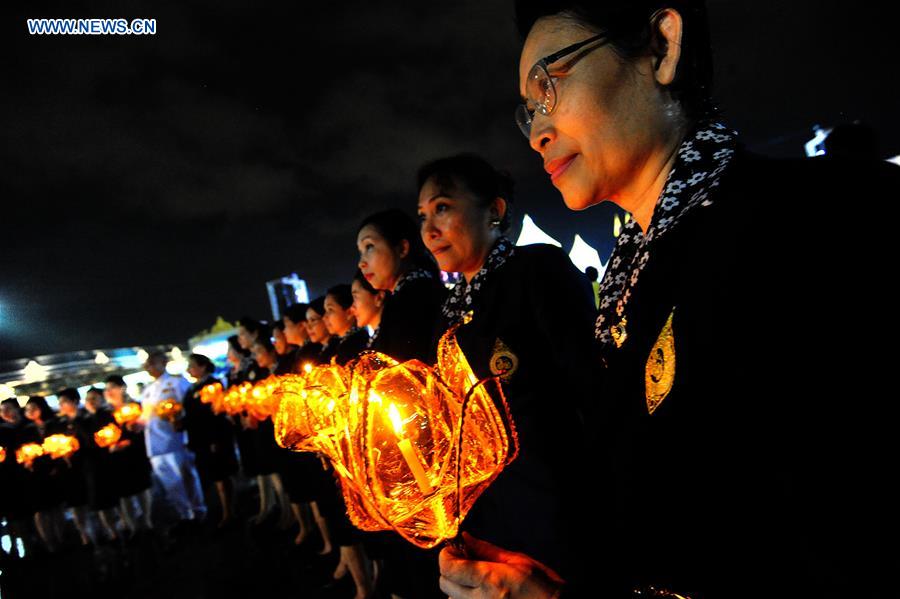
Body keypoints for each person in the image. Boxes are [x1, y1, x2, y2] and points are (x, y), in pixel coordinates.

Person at [440, 2, 900, 598]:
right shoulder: (633, 281)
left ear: (662, 47)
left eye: (550, 85)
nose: (536, 133)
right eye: (529, 110)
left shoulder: (822, 225)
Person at [416, 153, 600, 595]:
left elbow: (591, 388)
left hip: (556, 511)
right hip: (487, 516)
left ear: (494, 210)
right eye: (422, 216)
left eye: (442, 208)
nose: (429, 229)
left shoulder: (535, 270)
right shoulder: (449, 311)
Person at [356, 209, 447, 362]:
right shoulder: (406, 296)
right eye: (361, 252)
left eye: (369, 246)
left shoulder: (414, 300)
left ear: (402, 248)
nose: (361, 263)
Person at [139, 350, 206, 527]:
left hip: (175, 439)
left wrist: (179, 418)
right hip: (155, 444)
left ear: (163, 362)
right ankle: (184, 515)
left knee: (187, 477)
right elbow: (145, 416)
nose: (148, 367)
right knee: (171, 484)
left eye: (152, 363)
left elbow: (189, 406)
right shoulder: (147, 390)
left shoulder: (176, 383)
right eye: (147, 364)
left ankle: (198, 511)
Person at [182, 353, 238, 528]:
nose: (189, 369)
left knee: (221, 475)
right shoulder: (192, 388)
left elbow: (215, 414)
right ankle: (216, 510)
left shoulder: (213, 385)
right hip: (199, 439)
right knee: (209, 477)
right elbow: (191, 415)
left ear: (203, 367)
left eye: (192, 366)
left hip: (214, 437)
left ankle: (229, 512)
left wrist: (215, 438)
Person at [103, 376, 154, 534]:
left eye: (112, 387)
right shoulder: (105, 413)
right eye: (106, 389)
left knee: (142, 488)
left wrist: (134, 432)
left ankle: (147, 521)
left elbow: (145, 427)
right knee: (124, 493)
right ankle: (133, 527)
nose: (109, 392)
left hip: (135, 453)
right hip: (117, 458)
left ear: (122, 388)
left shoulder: (134, 407)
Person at [55, 388, 93, 545]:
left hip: (88, 465)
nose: (61, 406)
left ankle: (100, 530)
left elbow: (91, 440)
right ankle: (84, 534)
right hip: (70, 469)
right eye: (60, 403)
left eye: (64, 402)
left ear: (75, 401)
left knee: (91, 499)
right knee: (76, 504)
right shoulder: (61, 423)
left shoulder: (86, 418)